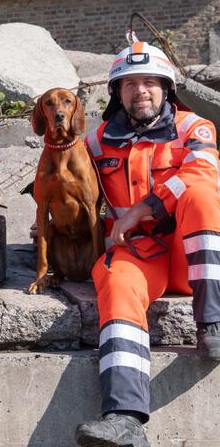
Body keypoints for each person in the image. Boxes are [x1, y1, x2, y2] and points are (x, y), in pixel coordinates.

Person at [74, 39, 220, 447]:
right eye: (130, 83)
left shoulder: (196, 127)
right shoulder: (97, 141)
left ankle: (212, 323)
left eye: (150, 82)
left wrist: (145, 207)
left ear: (167, 88)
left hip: (192, 256)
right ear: (117, 93)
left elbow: (202, 175)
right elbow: (82, 194)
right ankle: (125, 418)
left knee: (205, 196)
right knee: (115, 281)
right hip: (141, 255)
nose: (141, 91)